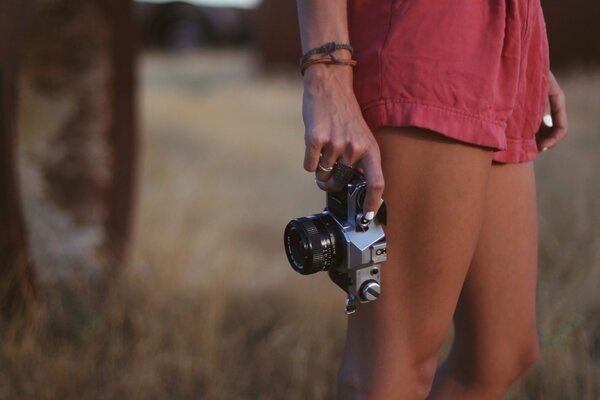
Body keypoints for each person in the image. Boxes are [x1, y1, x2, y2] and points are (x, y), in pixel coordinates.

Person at [296, 0, 568, 399]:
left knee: (501, 353)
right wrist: (326, 68)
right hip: (429, 27)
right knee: (389, 370)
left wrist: (515, 44)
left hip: (503, 29)